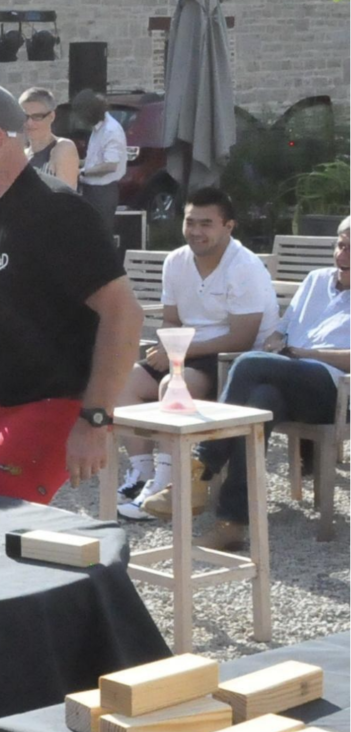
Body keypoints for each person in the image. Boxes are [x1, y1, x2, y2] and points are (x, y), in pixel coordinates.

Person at [0, 82, 144, 503]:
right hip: (3, 406)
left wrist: (95, 420)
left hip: (55, 406)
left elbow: (124, 314)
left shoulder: (58, 212)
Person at [178, 217, 350, 551]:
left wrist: (305, 353)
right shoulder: (316, 280)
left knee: (249, 362)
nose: (343, 254)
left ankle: (203, 462)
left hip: (334, 388)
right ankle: (232, 523)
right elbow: (281, 329)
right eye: (340, 245)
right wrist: (275, 344)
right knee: (259, 402)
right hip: (288, 373)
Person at [116, 187, 280, 521]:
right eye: (190, 222)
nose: (196, 231)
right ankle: (143, 474)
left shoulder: (244, 266)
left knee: (173, 388)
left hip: (234, 359)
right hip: (189, 350)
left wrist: (179, 352)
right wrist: (167, 347)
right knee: (123, 381)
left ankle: (168, 486)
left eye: (206, 224)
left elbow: (242, 337)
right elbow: (172, 319)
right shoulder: (175, 261)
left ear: (228, 227)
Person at [73, 89, 127, 238]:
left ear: (88, 112)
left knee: (101, 235)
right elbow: (94, 160)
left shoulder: (111, 131)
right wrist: (73, 162)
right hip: (92, 190)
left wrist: (82, 172)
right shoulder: (98, 129)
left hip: (103, 192)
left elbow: (110, 165)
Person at [19, 87, 80, 190]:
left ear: (51, 116)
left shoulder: (62, 148)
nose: (29, 123)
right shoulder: (23, 154)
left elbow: (65, 201)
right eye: (24, 116)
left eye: (37, 116)